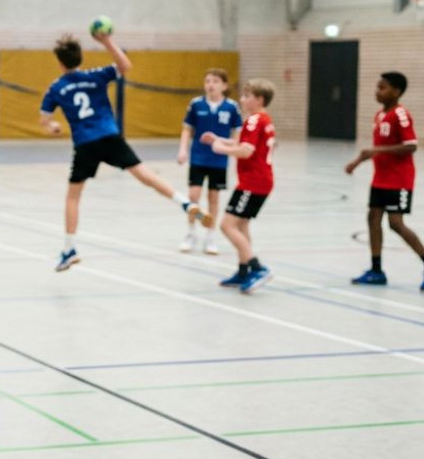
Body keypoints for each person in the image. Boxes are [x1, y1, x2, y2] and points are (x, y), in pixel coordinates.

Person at [39, 30, 209, 272]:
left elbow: (44, 118)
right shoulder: (96, 75)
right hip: (109, 136)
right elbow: (125, 65)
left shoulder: (56, 88)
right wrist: (107, 41)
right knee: (143, 174)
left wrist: (53, 126)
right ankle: (183, 202)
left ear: (59, 62)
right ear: (80, 58)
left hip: (85, 143)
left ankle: (69, 248)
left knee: (73, 195)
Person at [345, 72, 424, 290]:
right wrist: (357, 162)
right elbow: (377, 150)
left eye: (382, 87)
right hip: (380, 178)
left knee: (395, 223)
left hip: (399, 180)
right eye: (377, 87)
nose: (377, 91)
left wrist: (376, 150)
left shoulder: (401, 115)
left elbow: (411, 145)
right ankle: (376, 270)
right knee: (373, 218)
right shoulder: (380, 115)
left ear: (396, 91)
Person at [203, 79, 276, 294]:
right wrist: (220, 139)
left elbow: (246, 151)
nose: (242, 99)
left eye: (247, 96)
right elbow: (242, 144)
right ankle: (243, 270)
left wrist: (219, 149)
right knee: (242, 226)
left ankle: (257, 268)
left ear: (259, 99)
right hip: (259, 181)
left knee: (227, 225)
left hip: (253, 182)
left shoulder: (254, 120)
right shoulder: (262, 119)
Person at [176, 68, 242, 255]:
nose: (210, 85)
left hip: (219, 160)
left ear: (224, 85)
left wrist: (230, 148)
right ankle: (190, 232)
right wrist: (183, 150)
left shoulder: (231, 107)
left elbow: (237, 135)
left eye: (215, 81)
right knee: (193, 196)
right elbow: (187, 129)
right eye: (207, 81)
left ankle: (210, 237)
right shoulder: (196, 104)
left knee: (213, 199)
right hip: (198, 157)